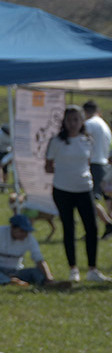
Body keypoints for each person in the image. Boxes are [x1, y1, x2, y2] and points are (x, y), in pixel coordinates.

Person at [45, 106, 111, 283]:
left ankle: (92, 269)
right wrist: (64, 171)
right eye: (69, 120)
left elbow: (88, 162)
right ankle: (73, 268)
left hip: (84, 188)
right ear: (64, 122)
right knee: (69, 227)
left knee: (92, 228)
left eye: (76, 120)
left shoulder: (88, 140)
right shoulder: (56, 142)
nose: (72, 124)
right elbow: (48, 165)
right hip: (62, 189)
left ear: (82, 121)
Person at [0, 214, 68, 288]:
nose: (24, 234)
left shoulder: (29, 239)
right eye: (21, 231)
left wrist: (49, 277)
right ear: (12, 227)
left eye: (26, 232)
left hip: (16, 270)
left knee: (36, 271)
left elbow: (39, 260)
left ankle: (48, 284)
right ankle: (10, 281)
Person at [82, 100, 112, 240]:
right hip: (103, 164)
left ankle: (107, 224)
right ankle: (92, 230)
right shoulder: (104, 124)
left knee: (89, 200)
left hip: (94, 164)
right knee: (94, 199)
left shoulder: (90, 124)